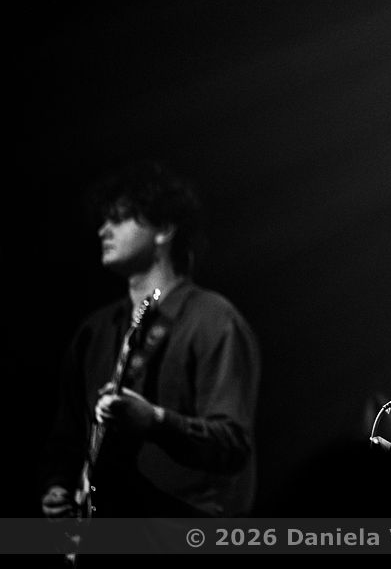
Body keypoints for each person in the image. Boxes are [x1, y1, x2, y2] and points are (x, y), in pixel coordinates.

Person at [40, 160, 260, 526]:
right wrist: (56, 485)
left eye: (119, 218)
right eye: (103, 220)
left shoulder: (213, 319)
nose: (103, 230)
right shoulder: (95, 331)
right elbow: (66, 435)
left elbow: (233, 444)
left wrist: (155, 421)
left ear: (165, 229)